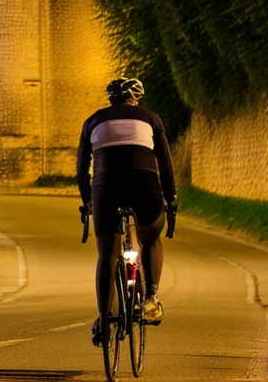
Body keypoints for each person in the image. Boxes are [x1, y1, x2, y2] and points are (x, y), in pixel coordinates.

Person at [77, 77, 178, 346]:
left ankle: (103, 318)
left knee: (107, 254)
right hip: (144, 183)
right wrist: (171, 199)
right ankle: (151, 299)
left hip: (105, 185)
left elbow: (81, 168)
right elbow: (165, 165)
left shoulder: (93, 121)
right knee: (150, 238)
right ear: (136, 98)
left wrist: (88, 201)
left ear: (111, 99)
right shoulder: (150, 118)